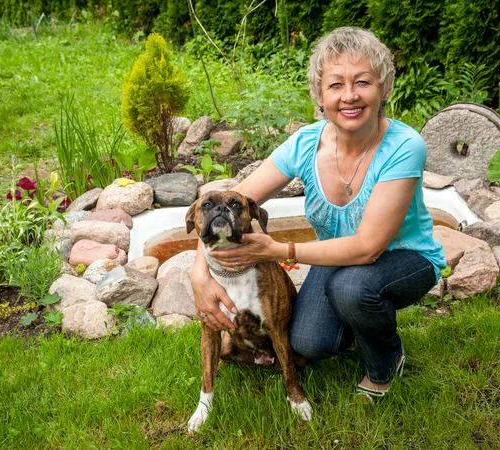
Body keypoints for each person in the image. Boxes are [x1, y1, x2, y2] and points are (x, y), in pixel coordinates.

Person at [190, 27, 446, 399]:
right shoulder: (307, 143)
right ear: (320, 95)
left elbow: (368, 248)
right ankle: (358, 323)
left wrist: (279, 251)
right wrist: (200, 275)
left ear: (384, 88)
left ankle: (385, 359)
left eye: (363, 82)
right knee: (308, 343)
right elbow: (234, 202)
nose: (350, 96)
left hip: (405, 259)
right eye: (336, 85)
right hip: (336, 258)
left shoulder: (405, 146)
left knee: (353, 288)